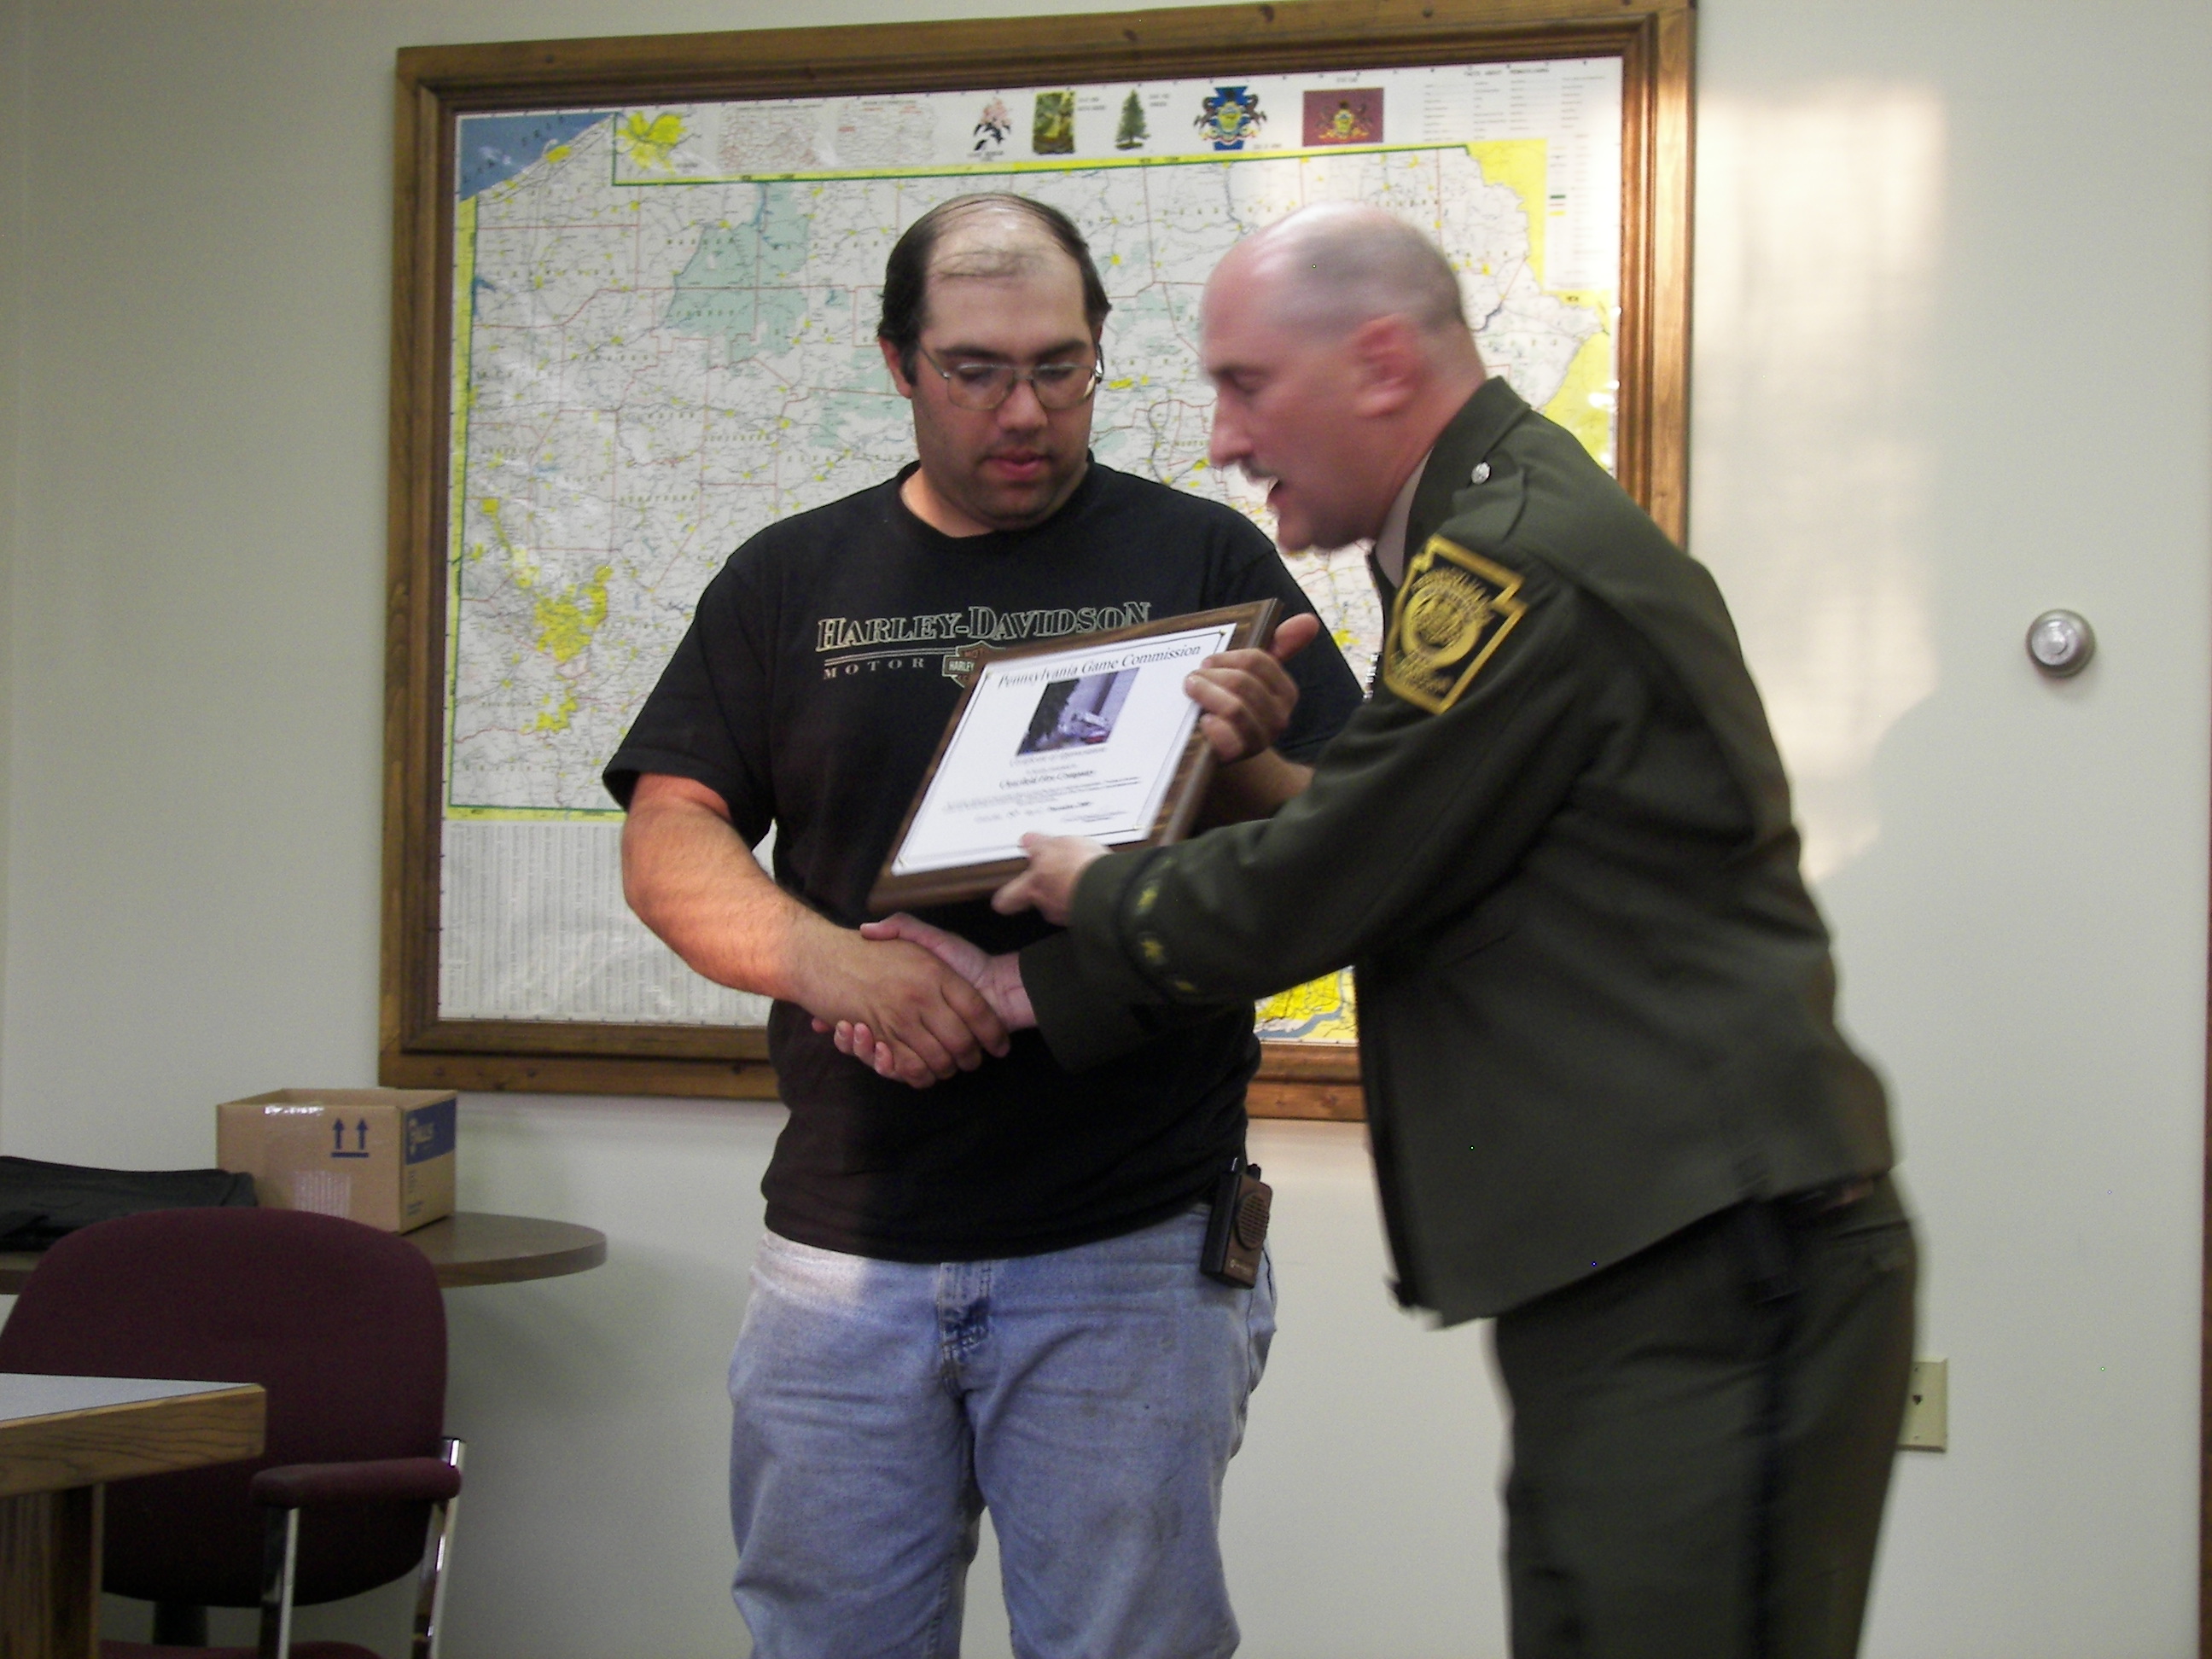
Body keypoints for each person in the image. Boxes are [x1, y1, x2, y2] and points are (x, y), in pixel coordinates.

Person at [846, 204, 1918, 1659]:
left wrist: (1075, 898)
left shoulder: (1513, 565)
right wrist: (1216, 801)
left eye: (1247, 385)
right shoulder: (1475, 540)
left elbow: (1329, 878)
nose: (1222, 438)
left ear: (1382, 362)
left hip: (1709, 1251)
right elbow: (1401, 846)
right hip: (1638, 1245)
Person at [604, 193, 1362, 1658]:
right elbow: (668, 835)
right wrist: (844, 971)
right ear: (897, 364)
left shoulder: (1208, 562)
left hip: (1127, 1243)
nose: (1024, 410)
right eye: (974, 371)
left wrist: (1262, 752)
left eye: (1060, 368)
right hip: (844, 1253)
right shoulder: (787, 579)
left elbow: (1336, 858)